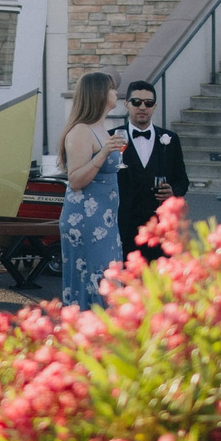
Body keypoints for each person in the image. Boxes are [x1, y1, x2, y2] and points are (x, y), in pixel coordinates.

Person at [58, 70, 126, 310]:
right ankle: (89, 325)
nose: (116, 92)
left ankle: (106, 327)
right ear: (99, 94)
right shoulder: (80, 131)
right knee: (95, 278)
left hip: (106, 221)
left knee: (108, 276)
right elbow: (75, 179)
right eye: (111, 88)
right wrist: (104, 154)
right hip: (86, 222)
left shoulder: (101, 129)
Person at [115, 78, 189, 260]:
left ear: (154, 107)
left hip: (160, 225)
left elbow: (182, 180)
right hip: (124, 224)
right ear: (126, 104)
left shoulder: (170, 139)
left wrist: (173, 192)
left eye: (148, 103)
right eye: (136, 102)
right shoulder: (113, 138)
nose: (142, 107)